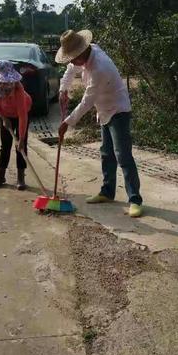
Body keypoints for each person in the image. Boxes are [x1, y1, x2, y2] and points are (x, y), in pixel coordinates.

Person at [56, 30, 143, 218]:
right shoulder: (86, 54)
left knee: (123, 156)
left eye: (73, 58)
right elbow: (71, 70)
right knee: (106, 153)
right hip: (104, 111)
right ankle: (107, 192)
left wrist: (67, 122)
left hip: (118, 111)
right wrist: (63, 89)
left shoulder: (99, 67)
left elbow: (87, 101)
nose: (71, 62)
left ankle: (135, 199)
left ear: (82, 52)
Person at [0, 60, 32, 191]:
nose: (4, 84)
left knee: (21, 147)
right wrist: (3, 117)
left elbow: (23, 115)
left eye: (7, 82)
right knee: (5, 145)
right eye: (1, 82)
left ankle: (21, 178)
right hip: (5, 114)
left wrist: (21, 138)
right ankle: (0, 177)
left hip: (21, 113)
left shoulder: (18, 90)